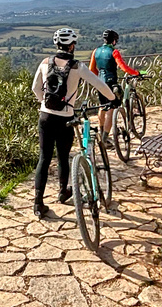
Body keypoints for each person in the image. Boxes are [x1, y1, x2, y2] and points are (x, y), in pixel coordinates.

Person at [30, 27, 117, 219]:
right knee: (63, 156)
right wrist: (113, 98)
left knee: (43, 159)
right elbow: (100, 85)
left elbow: (35, 89)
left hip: (45, 116)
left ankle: (38, 204)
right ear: (71, 45)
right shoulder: (77, 67)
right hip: (65, 118)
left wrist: (45, 103)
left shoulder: (45, 63)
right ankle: (62, 192)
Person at [89, 29, 140, 146]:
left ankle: (101, 133)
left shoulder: (95, 51)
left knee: (102, 107)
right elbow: (123, 67)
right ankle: (105, 138)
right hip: (111, 83)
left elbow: (92, 69)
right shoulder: (114, 52)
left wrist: (100, 77)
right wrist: (135, 72)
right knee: (111, 110)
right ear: (114, 41)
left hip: (99, 81)